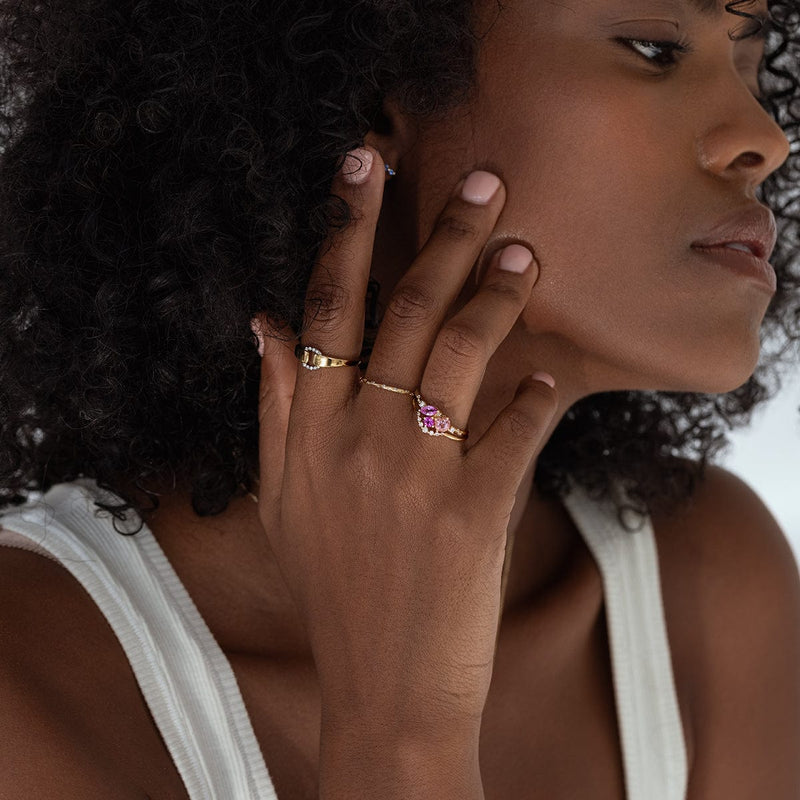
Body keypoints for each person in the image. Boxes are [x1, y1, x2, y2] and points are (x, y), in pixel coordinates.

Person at [0, 0, 798, 797]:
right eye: (655, 49)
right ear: (378, 96)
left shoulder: (707, 587)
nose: (764, 138)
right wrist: (400, 731)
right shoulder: (27, 690)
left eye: (748, 63)